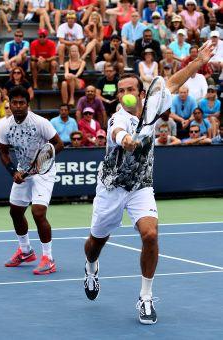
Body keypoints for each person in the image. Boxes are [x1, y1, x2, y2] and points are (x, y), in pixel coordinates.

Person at [83, 41, 214, 325]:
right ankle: (91, 268)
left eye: (130, 90)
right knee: (95, 243)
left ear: (141, 93)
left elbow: (174, 79)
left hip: (141, 186)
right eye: (121, 91)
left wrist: (199, 60)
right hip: (111, 188)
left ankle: (145, 296)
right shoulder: (117, 117)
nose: (125, 94)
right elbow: (118, 132)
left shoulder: (154, 104)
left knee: (151, 235)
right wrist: (126, 140)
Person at [0, 85, 64, 275]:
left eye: (22, 103)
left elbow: (59, 144)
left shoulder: (40, 122)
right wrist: (13, 171)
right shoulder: (5, 125)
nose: (18, 106)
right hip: (22, 170)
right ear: (9, 104)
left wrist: (43, 161)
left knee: (38, 212)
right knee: (15, 211)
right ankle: (26, 251)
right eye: (14, 102)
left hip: (44, 172)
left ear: (28, 104)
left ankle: (48, 258)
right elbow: (2, 151)